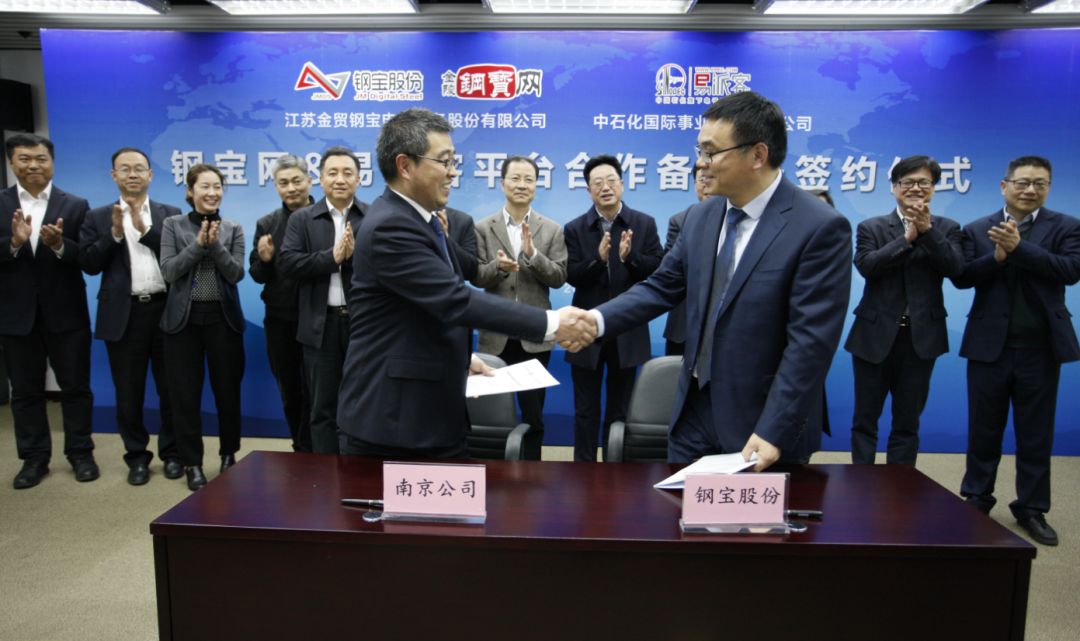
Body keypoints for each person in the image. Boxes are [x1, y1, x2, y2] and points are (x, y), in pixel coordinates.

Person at [591, 91, 852, 470]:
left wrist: (774, 429)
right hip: (693, 412)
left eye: (711, 152)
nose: (701, 163)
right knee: (681, 506)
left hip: (761, 425)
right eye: (700, 150)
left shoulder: (819, 227)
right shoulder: (701, 216)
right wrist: (594, 321)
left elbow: (810, 344)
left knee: (751, 513)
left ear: (757, 155)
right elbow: (661, 287)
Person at [335, 107, 594, 459]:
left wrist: (459, 358)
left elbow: (417, 314)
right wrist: (552, 323)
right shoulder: (391, 226)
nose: (453, 172)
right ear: (405, 166)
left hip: (424, 413)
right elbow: (454, 299)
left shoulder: (422, 221)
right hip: (394, 421)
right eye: (444, 161)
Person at [954, 156, 1080, 546]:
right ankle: (977, 498)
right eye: (1023, 182)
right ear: (1004, 185)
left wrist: (1019, 249)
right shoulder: (978, 229)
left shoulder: (1067, 226)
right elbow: (962, 276)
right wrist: (996, 258)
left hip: (1040, 349)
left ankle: (1031, 508)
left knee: (1035, 434)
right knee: (983, 429)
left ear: (1048, 188)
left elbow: (1069, 270)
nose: (1030, 190)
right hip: (988, 347)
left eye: (1040, 184)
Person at [843, 156, 964, 465]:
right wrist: (907, 239)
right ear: (894, 188)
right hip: (873, 337)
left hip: (921, 338)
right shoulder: (871, 227)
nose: (915, 188)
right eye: (907, 182)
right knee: (865, 419)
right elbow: (867, 266)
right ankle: (861, 481)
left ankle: (901, 485)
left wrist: (928, 232)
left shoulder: (948, 228)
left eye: (923, 182)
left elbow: (956, 269)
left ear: (934, 188)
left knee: (907, 422)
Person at [79, 147, 181, 485]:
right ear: (114, 176)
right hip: (124, 315)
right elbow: (89, 264)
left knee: (172, 389)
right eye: (125, 169)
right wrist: (115, 235)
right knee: (128, 393)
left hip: (165, 310)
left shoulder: (171, 215)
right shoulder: (96, 217)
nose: (133, 174)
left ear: (150, 174)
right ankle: (137, 457)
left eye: (139, 168)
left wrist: (145, 231)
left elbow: (179, 258)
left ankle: (173, 454)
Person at [1, 133, 97, 489]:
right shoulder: (1, 203)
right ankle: (34, 459)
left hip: (66, 314)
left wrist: (59, 245)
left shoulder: (75, 205)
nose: (34, 165)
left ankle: (81, 454)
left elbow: (87, 257)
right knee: (25, 391)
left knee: (76, 387)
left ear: (52, 162)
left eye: (40, 158)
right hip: (16, 316)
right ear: (12, 162)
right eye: (25, 159)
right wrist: (13, 243)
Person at [564, 154, 663, 461]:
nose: (605, 187)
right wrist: (598, 260)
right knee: (585, 410)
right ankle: (583, 469)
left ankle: (615, 467)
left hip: (627, 330)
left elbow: (657, 271)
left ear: (622, 184)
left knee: (620, 410)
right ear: (588, 190)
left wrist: (630, 258)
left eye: (610, 181)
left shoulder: (643, 224)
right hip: (585, 331)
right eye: (597, 183)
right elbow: (570, 275)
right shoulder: (575, 228)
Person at [472, 155, 568, 459]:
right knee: (491, 415)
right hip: (495, 335)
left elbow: (559, 277)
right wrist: (498, 267)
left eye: (529, 179)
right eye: (515, 178)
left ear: (536, 186)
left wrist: (533, 256)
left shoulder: (552, 229)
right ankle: (492, 470)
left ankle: (532, 471)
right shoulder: (482, 228)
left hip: (534, 336)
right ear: (503, 183)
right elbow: (477, 276)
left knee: (533, 415)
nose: (522, 185)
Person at [159, 164, 246, 491]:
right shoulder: (172, 225)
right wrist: (198, 245)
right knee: (184, 396)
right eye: (204, 186)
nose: (212, 192)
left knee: (228, 393)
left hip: (223, 321)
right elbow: (169, 271)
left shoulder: (233, 228)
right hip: (183, 323)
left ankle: (228, 455)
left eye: (217, 186)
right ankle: (192, 463)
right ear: (190, 191)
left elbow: (236, 274)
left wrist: (215, 245)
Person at [278, 147, 368, 455]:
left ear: (359, 179)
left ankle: (360, 471)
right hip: (320, 327)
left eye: (347, 173)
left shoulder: (372, 217)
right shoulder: (302, 219)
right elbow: (288, 263)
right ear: (320, 179)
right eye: (332, 173)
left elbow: (386, 268)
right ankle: (326, 475)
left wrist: (354, 257)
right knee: (322, 407)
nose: (340, 179)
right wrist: (332, 257)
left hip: (363, 327)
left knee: (363, 404)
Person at [249, 154, 314, 453]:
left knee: (321, 390)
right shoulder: (267, 223)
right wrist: (264, 260)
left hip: (319, 318)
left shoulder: (327, 217)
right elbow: (257, 275)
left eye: (296, 181)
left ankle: (322, 449)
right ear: (276, 186)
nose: (291, 188)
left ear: (309, 181)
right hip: (281, 320)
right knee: (290, 389)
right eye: (283, 183)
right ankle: (300, 448)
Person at [663, 165, 708, 356]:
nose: (706, 185)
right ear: (695, 184)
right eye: (702, 180)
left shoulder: (739, 221)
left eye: (712, 178)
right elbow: (669, 271)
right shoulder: (680, 221)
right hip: (683, 326)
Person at [437, 206, 478, 281]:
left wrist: (446, 236)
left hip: (450, 286)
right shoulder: (413, 219)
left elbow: (471, 271)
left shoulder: (463, 220)